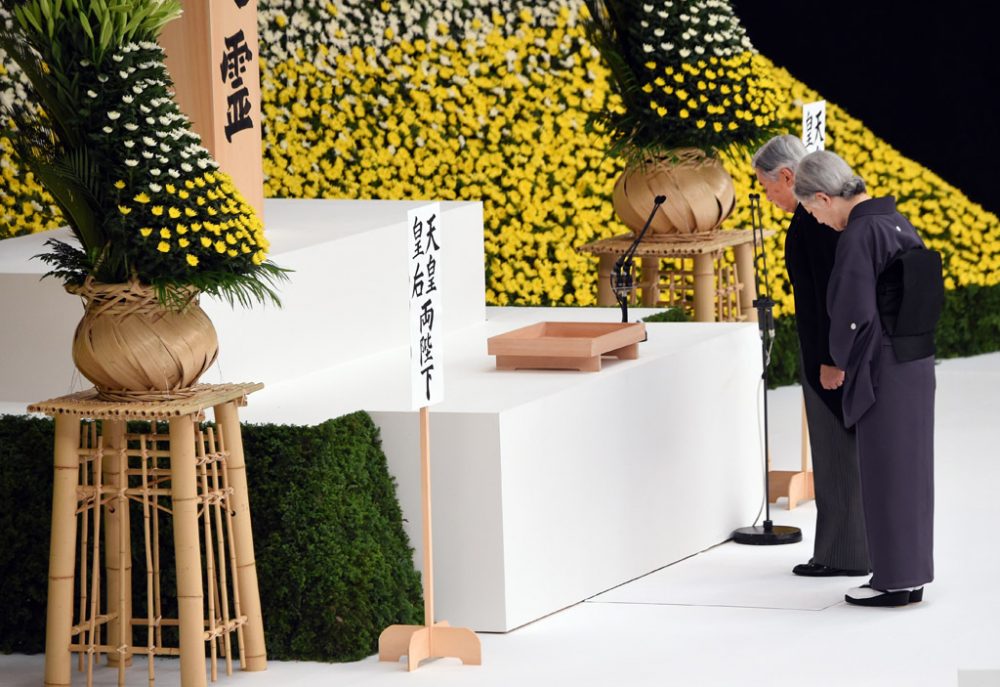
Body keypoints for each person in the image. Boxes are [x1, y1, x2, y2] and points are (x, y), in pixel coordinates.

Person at [794, 150, 935, 607]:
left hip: (885, 366)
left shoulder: (859, 233)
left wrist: (842, 361)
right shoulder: (895, 220)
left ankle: (892, 582)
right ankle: (909, 575)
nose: (816, 220)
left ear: (823, 196)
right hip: (915, 359)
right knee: (911, 472)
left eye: (813, 211)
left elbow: (853, 313)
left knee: (885, 471)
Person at [751, 136, 870, 579]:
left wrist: (828, 358)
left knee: (836, 450)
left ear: (787, 176)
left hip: (829, 355)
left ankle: (843, 554)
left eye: (766, 187)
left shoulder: (813, 221)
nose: (768, 197)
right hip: (833, 350)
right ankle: (849, 549)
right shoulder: (818, 216)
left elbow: (828, 297)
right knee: (840, 451)